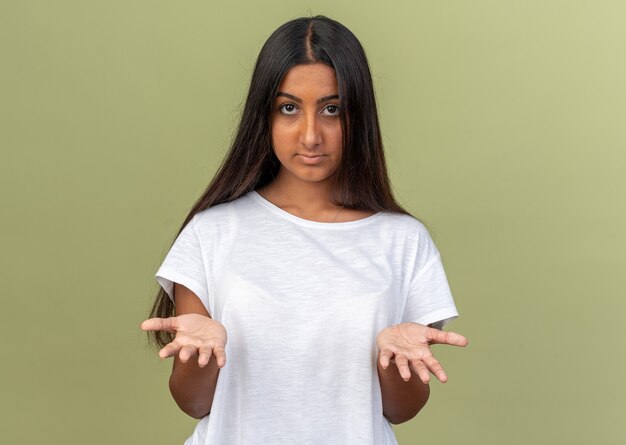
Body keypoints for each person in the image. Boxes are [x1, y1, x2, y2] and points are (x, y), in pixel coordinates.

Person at [141, 15, 468, 445]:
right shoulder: (212, 233)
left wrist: (391, 361)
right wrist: (202, 356)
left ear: (359, 117)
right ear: (265, 115)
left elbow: (400, 411)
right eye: (289, 108)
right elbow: (194, 403)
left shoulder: (403, 241)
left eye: (332, 109)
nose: (311, 135)